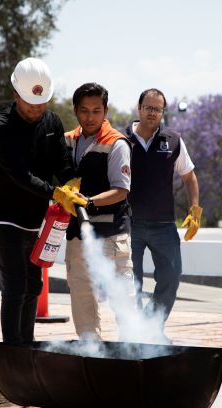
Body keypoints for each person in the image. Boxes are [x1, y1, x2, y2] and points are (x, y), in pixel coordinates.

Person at [0, 57, 84, 344]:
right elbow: (20, 175)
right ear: (16, 95)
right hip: (2, 217)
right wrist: (55, 193)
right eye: (30, 104)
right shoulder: (0, 128)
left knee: (33, 285)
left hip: (35, 219)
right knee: (15, 284)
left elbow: (62, 163)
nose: (37, 109)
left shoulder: (51, 122)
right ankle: (11, 353)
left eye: (42, 103)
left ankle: (25, 347)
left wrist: (71, 184)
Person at [124, 88, 202, 335]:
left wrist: (195, 210)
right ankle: (134, 335)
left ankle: (150, 327)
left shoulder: (173, 140)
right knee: (130, 284)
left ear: (162, 112)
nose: (153, 113)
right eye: (148, 108)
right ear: (139, 108)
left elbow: (189, 177)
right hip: (130, 224)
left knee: (171, 277)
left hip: (163, 224)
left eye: (158, 109)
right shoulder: (122, 140)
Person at [63, 82, 134, 341]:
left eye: (96, 111)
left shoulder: (117, 144)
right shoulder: (68, 141)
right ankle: (90, 351)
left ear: (105, 111)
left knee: (123, 298)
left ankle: (133, 351)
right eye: (84, 111)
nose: (90, 117)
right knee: (82, 294)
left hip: (111, 233)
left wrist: (88, 202)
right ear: (75, 111)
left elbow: (121, 190)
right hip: (78, 235)